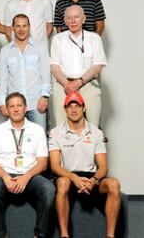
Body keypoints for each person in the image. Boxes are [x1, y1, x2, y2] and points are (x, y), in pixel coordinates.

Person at [49, 92, 121, 238]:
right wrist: (74, 178)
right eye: (70, 106)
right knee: (62, 183)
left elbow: (103, 167)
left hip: (90, 179)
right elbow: (55, 166)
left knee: (114, 184)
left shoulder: (96, 133)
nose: (74, 109)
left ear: (84, 108)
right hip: (68, 177)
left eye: (77, 106)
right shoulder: (55, 133)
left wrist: (93, 180)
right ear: (65, 109)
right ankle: (64, 235)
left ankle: (110, 236)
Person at [0, 92, 55, 238]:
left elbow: (42, 163)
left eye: (19, 106)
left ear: (25, 108)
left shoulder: (37, 130)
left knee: (49, 189)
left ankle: (40, 234)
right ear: (7, 110)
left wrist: (26, 176)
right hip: (4, 174)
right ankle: (1, 235)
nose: (16, 109)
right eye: (12, 106)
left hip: (30, 175)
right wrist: (5, 177)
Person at [50, 5, 107, 127]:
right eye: (69, 18)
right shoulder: (58, 39)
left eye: (76, 17)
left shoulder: (94, 38)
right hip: (63, 85)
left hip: (88, 83)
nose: (73, 20)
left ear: (84, 19)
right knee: (61, 126)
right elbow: (54, 66)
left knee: (93, 125)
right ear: (65, 21)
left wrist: (79, 82)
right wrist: (67, 84)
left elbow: (98, 65)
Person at [0, 14, 51, 130]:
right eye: (18, 26)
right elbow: (2, 78)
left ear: (29, 27)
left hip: (36, 104)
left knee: (39, 139)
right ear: (13, 28)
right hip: (13, 107)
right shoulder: (5, 51)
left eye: (24, 26)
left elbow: (46, 73)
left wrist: (45, 96)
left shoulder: (40, 47)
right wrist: (2, 103)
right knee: (14, 142)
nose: (21, 29)